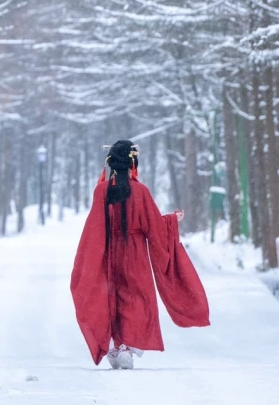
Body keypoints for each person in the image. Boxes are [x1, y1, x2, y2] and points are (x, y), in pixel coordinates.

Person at [70, 138, 210, 368]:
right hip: (135, 254)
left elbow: (94, 226)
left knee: (111, 297)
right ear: (133, 163)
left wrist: (92, 258)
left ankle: (117, 346)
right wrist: (173, 220)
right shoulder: (141, 191)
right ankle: (125, 345)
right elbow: (153, 227)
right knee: (135, 298)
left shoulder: (102, 191)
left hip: (109, 252)